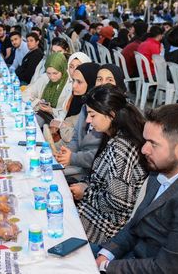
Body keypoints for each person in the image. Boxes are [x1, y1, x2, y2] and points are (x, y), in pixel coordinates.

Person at [94, 104, 178, 274]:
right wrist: (107, 253)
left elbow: (164, 269)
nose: (144, 149)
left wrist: (106, 267)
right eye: (145, 140)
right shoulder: (163, 169)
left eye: (153, 143)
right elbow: (136, 223)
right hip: (133, 259)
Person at [68, 85, 147, 243]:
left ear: (111, 115)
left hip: (104, 227)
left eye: (92, 115)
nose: (89, 120)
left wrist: (86, 192)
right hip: (96, 213)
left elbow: (119, 202)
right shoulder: (114, 136)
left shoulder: (120, 149)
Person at [56, 65, 127, 178]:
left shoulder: (118, 115)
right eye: (99, 79)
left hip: (94, 172)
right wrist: (65, 154)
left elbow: (101, 155)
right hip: (80, 163)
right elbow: (75, 137)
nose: (103, 83)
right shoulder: (87, 106)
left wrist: (72, 158)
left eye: (109, 80)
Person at [47, 62, 100, 149]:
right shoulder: (77, 99)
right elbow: (69, 122)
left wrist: (62, 126)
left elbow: (75, 137)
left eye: (79, 82)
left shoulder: (95, 108)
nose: (74, 86)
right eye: (73, 81)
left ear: (91, 82)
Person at [23, 52, 70, 126]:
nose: (51, 77)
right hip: (42, 115)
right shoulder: (44, 78)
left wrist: (51, 110)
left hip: (58, 121)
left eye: (55, 73)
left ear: (63, 69)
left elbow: (66, 112)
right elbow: (26, 94)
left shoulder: (70, 84)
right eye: (49, 73)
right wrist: (38, 102)